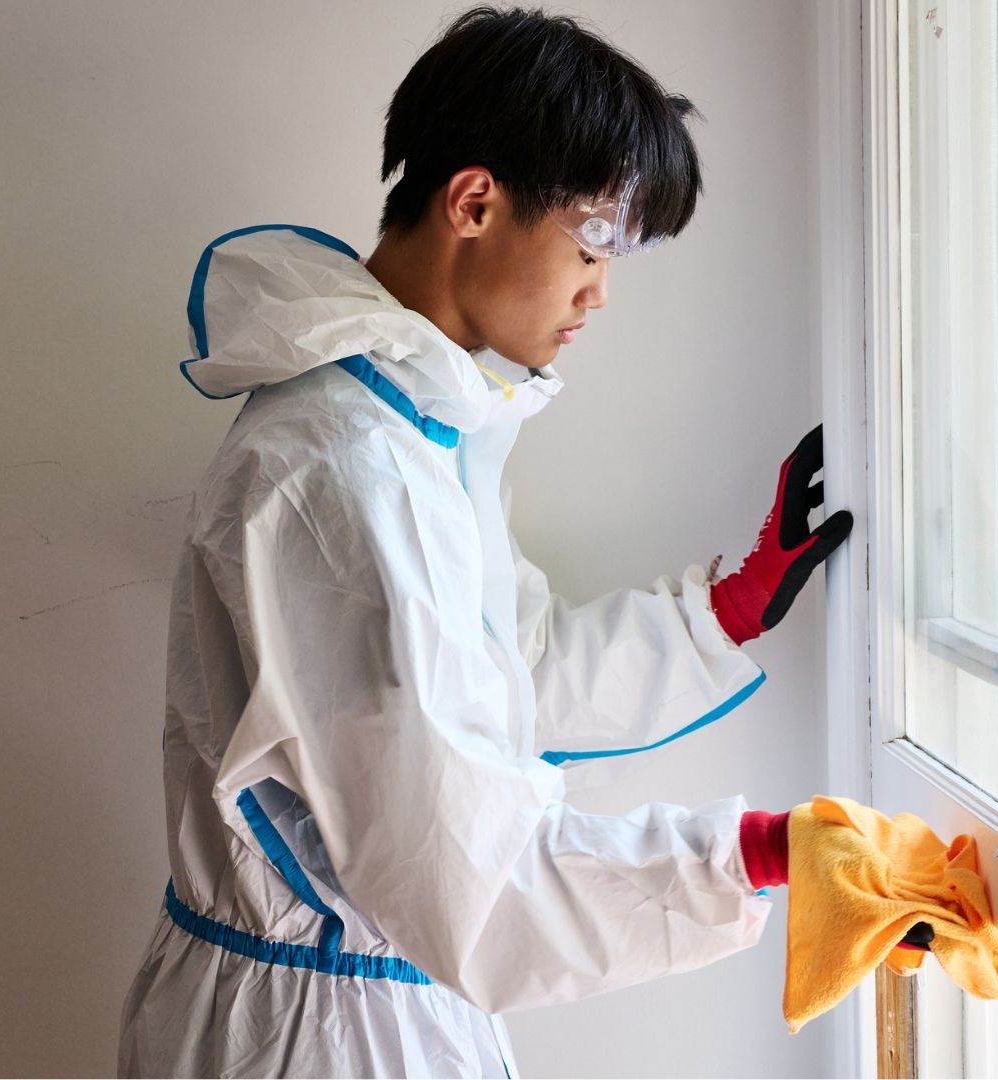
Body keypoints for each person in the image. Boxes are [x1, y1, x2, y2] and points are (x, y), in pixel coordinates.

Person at [118, 7, 853, 1078]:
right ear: (474, 200)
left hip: (364, 1000)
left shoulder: (409, 430)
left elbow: (501, 684)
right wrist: (765, 853)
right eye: (596, 241)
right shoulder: (339, 470)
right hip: (313, 1041)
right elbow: (470, 870)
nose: (601, 290)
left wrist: (724, 611)